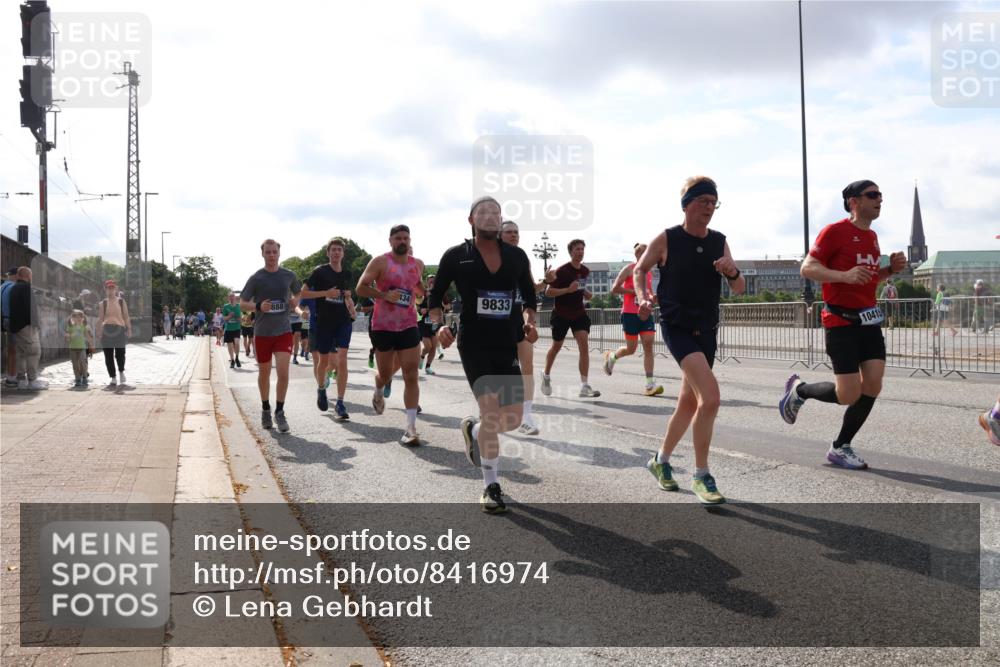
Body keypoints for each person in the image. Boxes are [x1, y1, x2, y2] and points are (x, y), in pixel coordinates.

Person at [778, 179, 908, 470]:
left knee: (872, 384)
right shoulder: (835, 231)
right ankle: (799, 391)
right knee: (847, 393)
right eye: (872, 195)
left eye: (881, 195)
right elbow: (807, 268)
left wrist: (889, 270)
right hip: (840, 322)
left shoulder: (873, 237)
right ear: (853, 202)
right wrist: (844, 276)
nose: (879, 200)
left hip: (868, 320)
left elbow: (868, 277)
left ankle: (841, 446)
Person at [635, 176, 745, 505]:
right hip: (677, 326)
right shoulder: (668, 238)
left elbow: (738, 289)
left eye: (714, 203)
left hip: (707, 329)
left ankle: (660, 461)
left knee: (688, 403)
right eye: (703, 202)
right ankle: (702, 475)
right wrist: (644, 296)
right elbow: (640, 269)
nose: (709, 209)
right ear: (686, 205)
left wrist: (732, 273)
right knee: (710, 398)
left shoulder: (720, 241)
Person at [430, 196, 538, 513]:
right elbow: (434, 300)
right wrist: (437, 326)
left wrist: (530, 323)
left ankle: (474, 431)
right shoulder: (456, 256)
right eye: (483, 212)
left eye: (495, 212)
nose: (490, 216)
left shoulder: (517, 256)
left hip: (506, 342)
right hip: (473, 342)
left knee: (514, 418)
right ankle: (491, 486)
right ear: (471, 220)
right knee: (491, 411)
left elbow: (531, 300)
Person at [356, 225, 424, 445]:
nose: (402, 241)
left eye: (405, 237)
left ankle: (411, 428)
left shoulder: (418, 264)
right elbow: (361, 288)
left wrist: (423, 296)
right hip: (383, 326)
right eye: (398, 238)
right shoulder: (380, 262)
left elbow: (419, 288)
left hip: (409, 325)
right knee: (385, 374)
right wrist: (384, 295)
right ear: (390, 241)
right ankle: (378, 389)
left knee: (411, 374)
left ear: (410, 240)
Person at [240, 239, 301, 433]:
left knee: (283, 373)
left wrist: (295, 302)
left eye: (274, 252)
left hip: (283, 331)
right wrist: (258, 306)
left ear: (279, 253)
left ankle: (280, 411)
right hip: (263, 332)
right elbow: (242, 303)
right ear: (263, 254)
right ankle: (266, 408)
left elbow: (299, 293)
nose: (272, 255)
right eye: (268, 252)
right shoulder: (256, 278)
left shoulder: (289, 275)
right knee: (264, 373)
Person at [499, 220, 551, 435]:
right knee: (502, 370)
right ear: (499, 235)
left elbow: (530, 290)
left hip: (518, 320)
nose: (514, 235)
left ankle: (526, 417)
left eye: (516, 232)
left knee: (527, 364)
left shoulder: (521, 258)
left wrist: (545, 282)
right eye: (509, 232)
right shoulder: (493, 259)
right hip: (497, 322)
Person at [300, 237, 356, 420]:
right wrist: (325, 293)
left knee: (342, 360)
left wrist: (349, 300)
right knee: (323, 361)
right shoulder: (320, 272)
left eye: (339, 249)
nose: (336, 252)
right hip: (324, 322)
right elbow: (303, 292)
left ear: (343, 253)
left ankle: (340, 402)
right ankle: (321, 388)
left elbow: (346, 297)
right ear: (328, 252)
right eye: (333, 249)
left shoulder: (347, 274)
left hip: (343, 322)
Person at [604, 242, 665, 396]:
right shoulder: (629, 269)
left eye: (647, 253)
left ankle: (649, 385)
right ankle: (613, 356)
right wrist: (634, 291)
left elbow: (649, 292)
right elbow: (614, 289)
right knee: (631, 349)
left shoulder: (649, 273)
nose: (645, 256)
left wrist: (652, 297)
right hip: (630, 314)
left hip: (645, 313)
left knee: (648, 347)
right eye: (642, 253)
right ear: (636, 254)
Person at [541, 239, 600, 398]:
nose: (580, 252)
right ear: (570, 252)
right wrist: (567, 290)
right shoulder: (561, 271)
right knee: (556, 347)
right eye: (577, 249)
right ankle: (546, 375)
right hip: (561, 314)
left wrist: (585, 292)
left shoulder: (585, 271)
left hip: (578, 313)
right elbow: (548, 292)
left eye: (582, 249)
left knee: (584, 346)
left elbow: (578, 287)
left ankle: (584, 385)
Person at [8, 267, 48, 390]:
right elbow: (30, 309)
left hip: (16, 326)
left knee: (21, 354)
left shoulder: (13, 288)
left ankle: (21, 380)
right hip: (27, 327)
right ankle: (32, 380)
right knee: (33, 352)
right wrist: (36, 325)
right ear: (28, 276)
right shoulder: (26, 288)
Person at [96, 279, 132, 387]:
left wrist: (129, 329)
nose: (110, 290)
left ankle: (121, 371)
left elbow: (126, 316)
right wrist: (99, 331)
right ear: (105, 289)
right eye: (108, 288)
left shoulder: (121, 301)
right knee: (108, 355)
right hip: (107, 329)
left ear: (116, 289)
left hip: (119, 329)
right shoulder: (103, 303)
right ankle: (113, 377)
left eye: (112, 288)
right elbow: (101, 318)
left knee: (120, 353)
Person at [416, 275, 447, 375]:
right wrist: (421, 310)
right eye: (430, 281)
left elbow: (447, 305)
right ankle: (421, 356)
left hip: (435, 324)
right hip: (424, 324)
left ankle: (428, 367)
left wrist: (445, 306)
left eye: (433, 281)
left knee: (433, 347)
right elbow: (416, 306)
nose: (432, 283)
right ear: (427, 283)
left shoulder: (440, 294)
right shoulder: (423, 293)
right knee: (428, 346)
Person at [64, 309, 94, 388]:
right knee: (75, 365)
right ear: (72, 318)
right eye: (76, 317)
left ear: (83, 318)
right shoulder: (70, 327)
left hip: (82, 348)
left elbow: (89, 337)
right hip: (72, 348)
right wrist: (70, 336)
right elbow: (66, 337)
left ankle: (84, 377)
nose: (78, 318)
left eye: (80, 317)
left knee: (83, 362)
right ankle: (77, 379)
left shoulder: (84, 326)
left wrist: (91, 346)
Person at [1, 267, 18, 387]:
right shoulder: (13, 287)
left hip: (4, 320)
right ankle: (12, 377)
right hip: (12, 320)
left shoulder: (2, 287)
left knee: (10, 349)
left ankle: (10, 375)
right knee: (14, 350)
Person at [221, 292, 242, 368]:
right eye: (230, 297)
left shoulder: (238, 306)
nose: (231, 298)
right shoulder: (226, 307)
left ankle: (237, 358)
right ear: (228, 298)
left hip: (236, 328)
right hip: (228, 328)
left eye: (232, 296)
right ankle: (232, 360)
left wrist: (236, 317)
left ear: (235, 298)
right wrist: (229, 316)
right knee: (229, 345)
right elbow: (224, 318)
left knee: (237, 343)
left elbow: (240, 319)